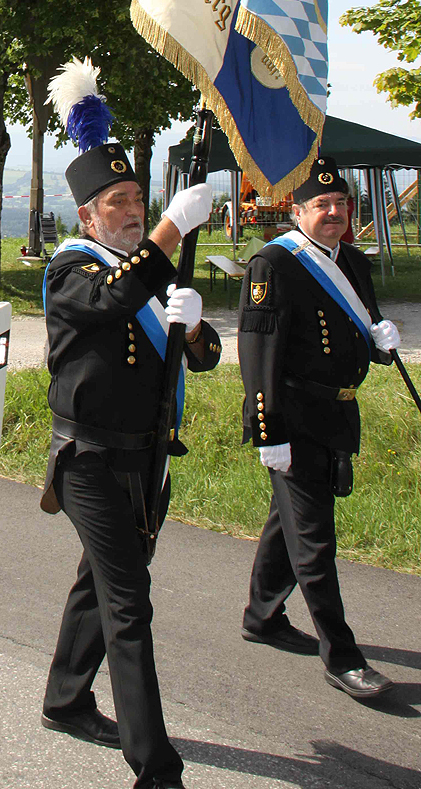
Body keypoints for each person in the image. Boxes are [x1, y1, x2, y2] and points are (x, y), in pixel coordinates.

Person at [40, 123, 219, 789]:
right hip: (87, 461)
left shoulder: (149, 266)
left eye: (138, 197)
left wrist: (196, 327)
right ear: (88, 214)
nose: (132, 209)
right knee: (128, 602)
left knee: (102, 583)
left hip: (149, 462)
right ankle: (156, 769)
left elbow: (200, 362)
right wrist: (171, 228)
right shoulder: (71, 267)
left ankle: (65, 699)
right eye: (116, 200)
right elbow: (112, 296)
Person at [238, 156, 400, 701]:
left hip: (337, 414)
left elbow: (363, 328)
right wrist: (268, 433)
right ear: (299, 210)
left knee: (288, 524)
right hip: (292, 418)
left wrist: (381, 345)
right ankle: (343, 657)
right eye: (322, 205)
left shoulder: (351, 260)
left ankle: (262, 614)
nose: (333, 213)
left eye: (341, 204)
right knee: (315, 541)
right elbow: (257, 353)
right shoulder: (275, 265)